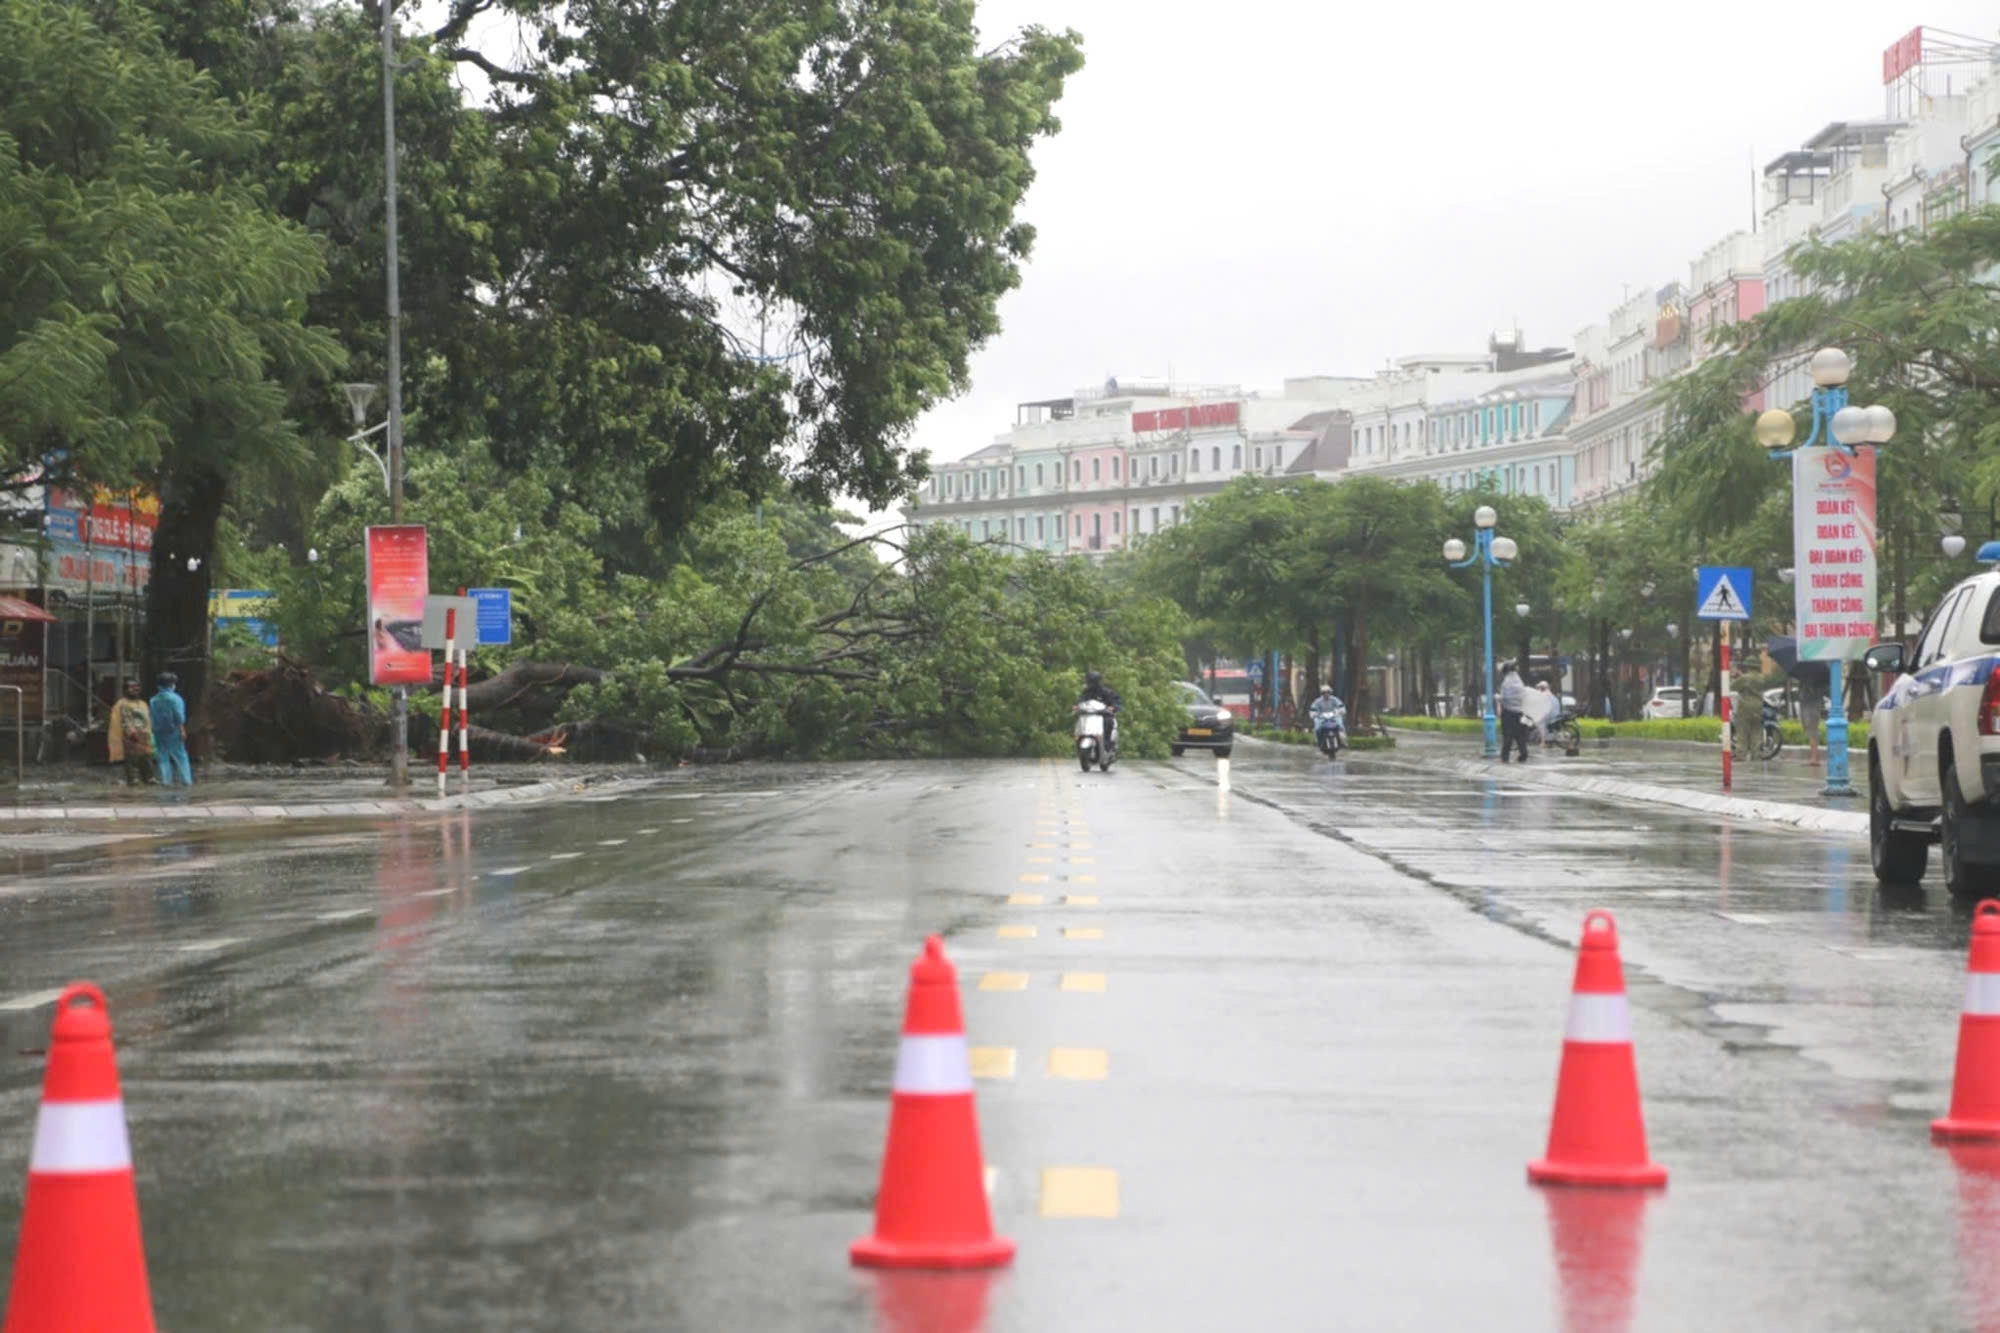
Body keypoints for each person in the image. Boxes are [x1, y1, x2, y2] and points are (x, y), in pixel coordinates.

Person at [107, 679, 154, 785]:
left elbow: (147, 719)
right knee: (132, 760)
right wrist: (131, 733)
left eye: (137, 686)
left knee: (146, 758)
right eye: (131, 687)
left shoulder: (142, 703)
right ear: (125, 690)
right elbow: (125, 720)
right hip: (132, 736)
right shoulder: (123, 704)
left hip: (145, 735)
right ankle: (133, 780)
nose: (135, 689)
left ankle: (149, 778)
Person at [150, 671, 192, 787]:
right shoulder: (176, 699)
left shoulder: (153, 700)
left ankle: (166, 781)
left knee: (163, 757)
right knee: (180, 756)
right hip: (174, 731)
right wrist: (182, 730)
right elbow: (179, 716)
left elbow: (152, 717)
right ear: (171, 684)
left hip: (158, 732)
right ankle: (186, 781)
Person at [1078, 670, 1122, 752]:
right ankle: (1080, 738)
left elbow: (1117, 702)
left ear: (1096, 682)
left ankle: (1107, 742)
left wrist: (1113, 707)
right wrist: (1078, 706)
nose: (1088, 684)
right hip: (1090, 715)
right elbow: (1082, 700)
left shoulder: (1107, 691)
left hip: (1104, 715)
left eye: (1090, 682)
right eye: (1088, 682)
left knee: (1108, 721)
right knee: (1080, 719)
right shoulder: (1087, 692)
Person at [1498, 664, 1529, 762]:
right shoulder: (1520, 682)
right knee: (1521, 736)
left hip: (1509, 713)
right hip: (1521, 713)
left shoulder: (1506, 683)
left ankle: (1505, 757)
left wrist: (1497, 697)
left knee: (1508, 736)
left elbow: (1505, 697)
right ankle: (1523, 754)